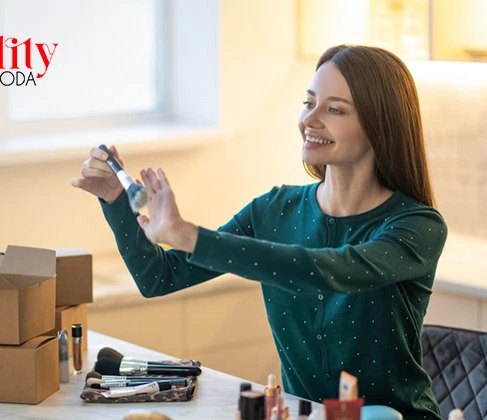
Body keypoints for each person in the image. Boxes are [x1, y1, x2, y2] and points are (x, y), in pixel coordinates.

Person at [71, 44, 447, 420]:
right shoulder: (274, 209)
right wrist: (117, 201)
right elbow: (159, 277)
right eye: (309, 102)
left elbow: (330, 270)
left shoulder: (417, 226)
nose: (309, 120)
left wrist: (190, 235)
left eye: (334, 109)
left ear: (380, 126)